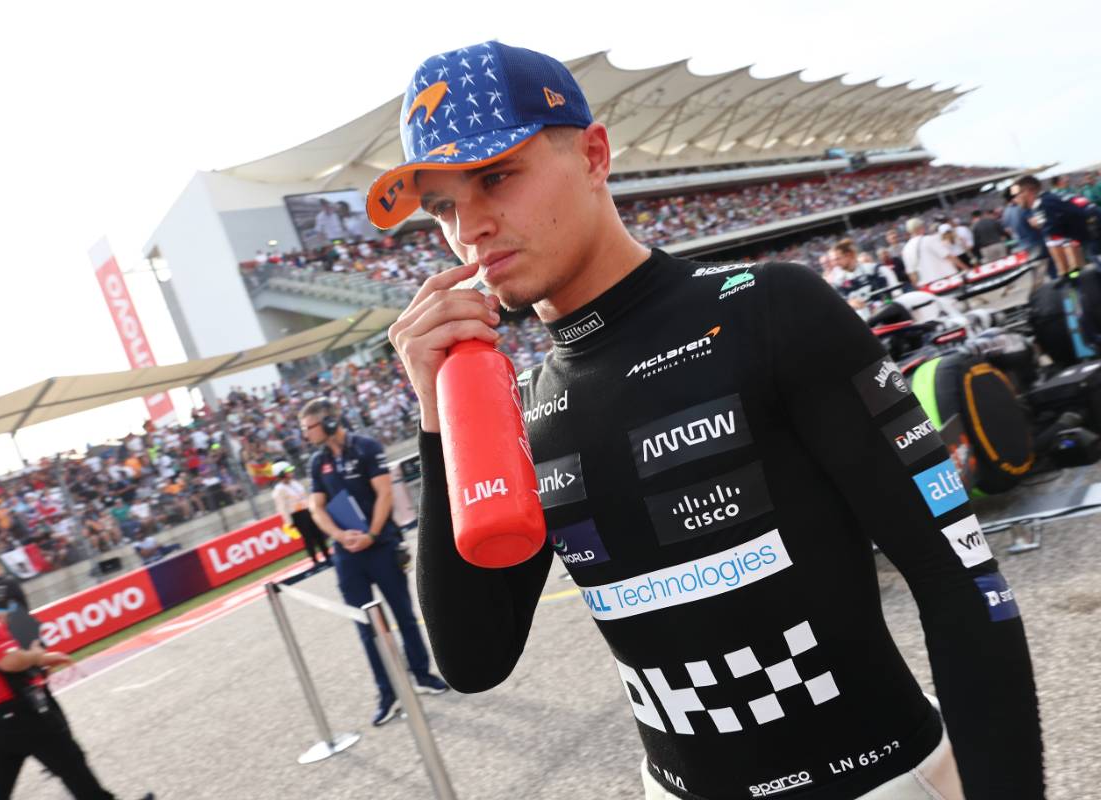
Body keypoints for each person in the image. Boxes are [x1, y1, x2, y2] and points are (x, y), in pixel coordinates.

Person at [377, 41, 1043, 800]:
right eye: (443, 207)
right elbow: (473, 660)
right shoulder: (515, 408)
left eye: (496, 177)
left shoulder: (771, 309)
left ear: (595, 155)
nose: (471, 229)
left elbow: (962, 587)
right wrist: (439, 419)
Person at [0, 562, 154, 800]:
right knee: (71, 763)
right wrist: (39, 656)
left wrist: (37, 661)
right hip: (15, 714)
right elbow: (10, 661)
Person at [299, 398, 448, 726]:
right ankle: (388, 693)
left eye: (309, 427)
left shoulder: (365, 447)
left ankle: (422, 675)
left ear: (328, 423)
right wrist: (341, 537)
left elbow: (384, 493)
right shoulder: (316, 462)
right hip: (347, 555)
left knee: (404, 616)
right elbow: (316, 508)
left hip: (381, 546)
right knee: (366, 627)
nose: (305, 434)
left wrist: (372, 534)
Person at [270, 461, 331, 574]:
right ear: (281, 474)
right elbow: (282, 507)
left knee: (318, 534)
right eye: (288, 472)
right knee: (308, 538)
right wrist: (289, 522)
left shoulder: (295, 483)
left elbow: (306, 496)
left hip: (307, 511)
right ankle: (315, 560)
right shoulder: (279, 490)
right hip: (297, 515)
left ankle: (327, 555)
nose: (291, 473)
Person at [901, 217, 966, 286]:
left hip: (928, 284)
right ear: (920, 227)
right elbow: (949, 256)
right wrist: (965, 268)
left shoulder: (906, 249)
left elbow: (912, 273)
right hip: (947, 279)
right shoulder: (929, 239)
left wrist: (919, 288)